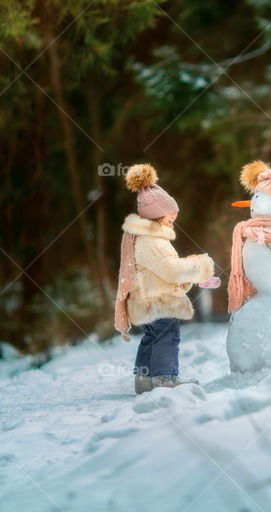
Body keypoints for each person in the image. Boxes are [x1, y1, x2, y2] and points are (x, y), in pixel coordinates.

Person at [113, 163, 217, 394]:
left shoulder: (144, 239)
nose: (174, 221)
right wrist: (200, 265)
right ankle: (165, 378)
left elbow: (162, 272)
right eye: (171, 218)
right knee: (167, 336)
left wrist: (186, 275)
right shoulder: (152, 241)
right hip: (157, 301)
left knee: (151, 338)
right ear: (157, 216)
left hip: (147, 300)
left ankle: (144, 380)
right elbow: (170, 270)